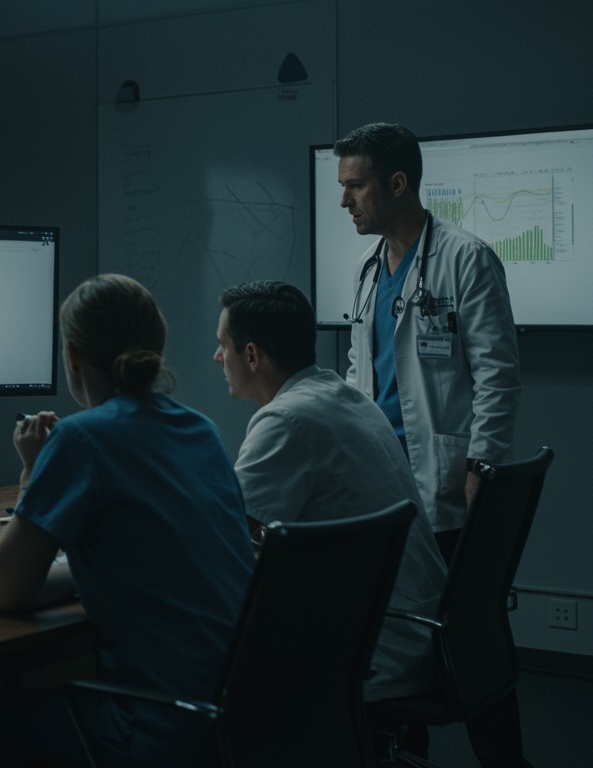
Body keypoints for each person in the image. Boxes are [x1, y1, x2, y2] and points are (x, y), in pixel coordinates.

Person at [0, 274, 255, 767]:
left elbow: (4, 588)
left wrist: (31, 471)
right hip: (240, 718)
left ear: (73, 357)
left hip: (162, 727)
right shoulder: (201, 430)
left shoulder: (81, 439)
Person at [336, 123, 527, 766]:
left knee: (465, 629)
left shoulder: (464, 258)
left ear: (398, 183)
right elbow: (362, 378)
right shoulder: (368, 273)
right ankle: (405, 752)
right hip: (383, 482)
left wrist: (481, 464)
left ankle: (504, 759)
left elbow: (498, 372)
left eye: (355, 186)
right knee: (391, 628)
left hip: (446, 479)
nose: (345, 202)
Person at [214, 280, 446, 700]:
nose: (217, 357)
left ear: (251, 355)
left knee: (205, 654)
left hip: (372, 648)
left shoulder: (286, 420)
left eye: (222, 345)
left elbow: (225, 545)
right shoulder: (347, 397)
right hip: (419, 634)